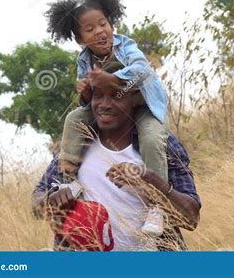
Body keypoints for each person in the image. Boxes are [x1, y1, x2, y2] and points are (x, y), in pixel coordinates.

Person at [44, 0, 169, 236]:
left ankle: (157, 206)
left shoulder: (126, 46)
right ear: (80, 39)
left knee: (153, 138)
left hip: (142, 105)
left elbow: (142, 70)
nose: (99, 31)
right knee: (74, 118)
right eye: (89, 29)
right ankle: (70, 180)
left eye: (103, 24)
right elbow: (87, 100)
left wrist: (112, 79)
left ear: (111, 23)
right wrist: (85, 90)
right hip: (108, 110)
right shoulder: (84, 59)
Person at [32, 73, 200, 251]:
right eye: (98, 95)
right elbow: (37, 202)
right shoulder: (76, 143)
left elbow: (191, 218)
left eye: (115, 96)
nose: (104, 104)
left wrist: (152, 179)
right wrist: (51, 199)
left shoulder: (160, 145)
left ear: (135, 100)